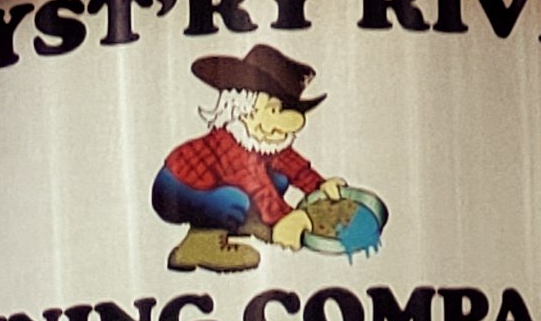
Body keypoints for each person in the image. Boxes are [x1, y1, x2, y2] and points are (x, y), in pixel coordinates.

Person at [152, 42, 385, 273]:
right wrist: (286, 217)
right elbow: (255, 183)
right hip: (176, 189)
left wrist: (319, 185)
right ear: (244, 106)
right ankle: (198, 245)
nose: (292, 121)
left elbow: (292, 165)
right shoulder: (231, 140)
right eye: (274, 110)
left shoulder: (263, 139)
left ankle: (251, 221)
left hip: (213, 185)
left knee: (280, 178)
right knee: (235, 201)